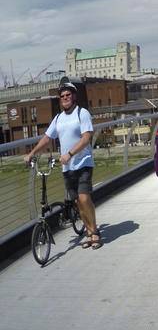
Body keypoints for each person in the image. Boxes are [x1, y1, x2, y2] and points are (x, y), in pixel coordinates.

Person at [23, 79, 102, 249]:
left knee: (84, 197)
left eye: (68, 95)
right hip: (67, 168)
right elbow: (47, 138)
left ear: (74, 96)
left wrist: (70, 154)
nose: (65, 97)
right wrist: (31, 153)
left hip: (83, 163)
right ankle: (88, 232)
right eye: (62, 96)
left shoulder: (82, 113)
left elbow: (86, 137)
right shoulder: (58, 118)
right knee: (77, 202)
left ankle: (95, 232)